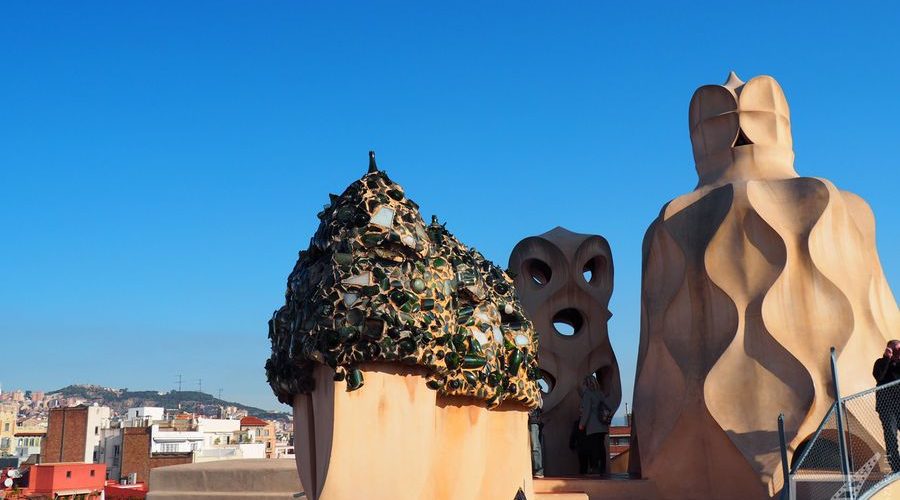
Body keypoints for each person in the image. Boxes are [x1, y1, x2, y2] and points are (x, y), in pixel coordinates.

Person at [873, 340, 900, 473]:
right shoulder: (880, 363)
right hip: (887, 407)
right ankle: (896, 468)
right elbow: (879, 376)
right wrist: (887, 358)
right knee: (890, 436)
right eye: (894, 350)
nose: (897, 353)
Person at [578, 374, 612, 474]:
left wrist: (582, 423)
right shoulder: (600, 393)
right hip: (602, 424)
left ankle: (595, 467)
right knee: (601, 446)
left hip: (593, 426)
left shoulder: (588, 394)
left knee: (593, 447)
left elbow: (586, 410)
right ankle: (603, 468)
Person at [528, 407, 544, 477]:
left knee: (535, 446)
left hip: (533, 421)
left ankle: (538, 470)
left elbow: (540, 404)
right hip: (527, 420)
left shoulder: (537, 396)